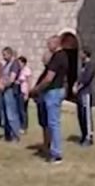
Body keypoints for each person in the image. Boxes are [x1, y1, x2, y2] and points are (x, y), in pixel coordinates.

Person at [31, 35, 69, 164]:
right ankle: (51, 148)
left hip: (53, 92)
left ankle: (56, 153)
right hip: (57, 90)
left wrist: (36, 89)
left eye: (49, 43)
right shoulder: (64, 56)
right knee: (52, 123)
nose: (48, 46)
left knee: (53, 123)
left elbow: (48, 78)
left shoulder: (57, 57)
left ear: (56, 43)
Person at [73, 48, 95, 147]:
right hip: (80, 94)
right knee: (81, 115)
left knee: (86, 115)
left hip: (86, 93)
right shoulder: (83, 65)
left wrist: (78, 87)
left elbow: (86, 79)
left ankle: (89, 137)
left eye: (81, 53)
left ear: (86, 54)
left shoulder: (90, 65)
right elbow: (79, 78)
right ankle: (83, 134)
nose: (80, 55)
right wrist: (75, 85)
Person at [0, 46, 22, 142]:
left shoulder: (15, 64)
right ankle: (7, 135)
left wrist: (4, 85)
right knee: (5, 114)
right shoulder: (6, 64)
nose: (3, 57)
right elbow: (2, 76)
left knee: (11, 114)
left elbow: (12, 78)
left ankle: (15, 136)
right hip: (5, 91)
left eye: (4, 55)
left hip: (11, 91)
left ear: (9, 54)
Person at [34, 51, 52, 156]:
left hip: (46, 99)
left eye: (44, 58)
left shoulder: (51, 71)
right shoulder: (45, 71)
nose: (43, 60)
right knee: (44, 124)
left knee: (47, 124)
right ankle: (46, 143)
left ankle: (49, 145)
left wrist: (36, 90)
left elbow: (46, 83)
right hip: (41, 100)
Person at [17, 56, 32, 133]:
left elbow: (29, 82)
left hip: (24, 92)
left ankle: (24, 127)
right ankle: (20, 125)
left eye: (19, 62)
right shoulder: (20, 70)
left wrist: (27, 94)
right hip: (19, 91)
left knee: (23, 110)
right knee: (19, 109)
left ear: (23, 63)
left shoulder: (27, 70)